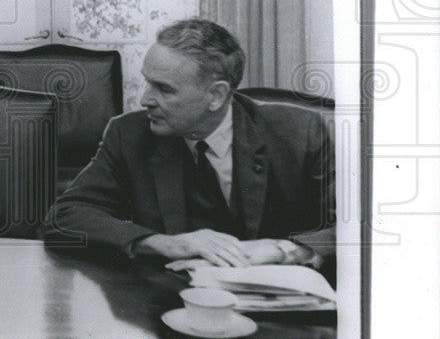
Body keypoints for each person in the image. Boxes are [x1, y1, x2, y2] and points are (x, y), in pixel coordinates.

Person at [45, 19, 334, 269]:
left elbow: (358, 229)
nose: (145, 99)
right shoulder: (129, 134)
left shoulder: (299, 133)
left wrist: (283, 250)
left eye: (164, 89)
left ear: (216, 96)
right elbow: (64, 217)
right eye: (148, 83)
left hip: (278, 306)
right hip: (172, 302)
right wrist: (162, 243)